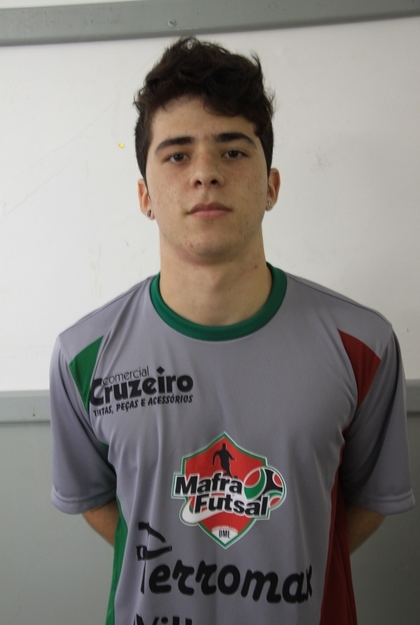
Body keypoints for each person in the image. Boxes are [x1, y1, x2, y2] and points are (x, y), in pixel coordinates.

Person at [50, 36, 414, 625]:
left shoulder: (362, 346)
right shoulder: (82, 356)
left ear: (271, 185)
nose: (205, 174)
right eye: (177, 155)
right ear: (144, 196)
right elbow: (96, 501)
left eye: (233, 151)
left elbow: (367, 503)